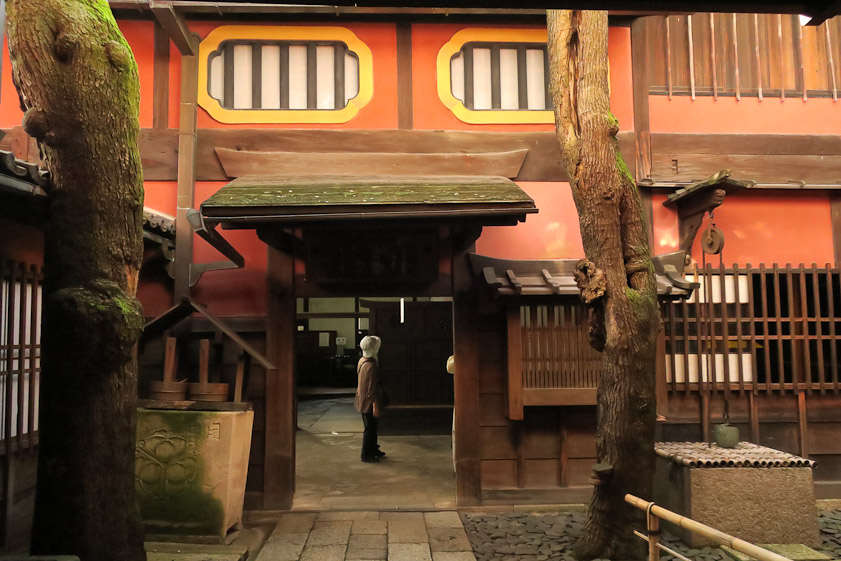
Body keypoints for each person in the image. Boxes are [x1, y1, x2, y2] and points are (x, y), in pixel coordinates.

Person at [355, 335, 386, 463]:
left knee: (371, 426)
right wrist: (375, 405)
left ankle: (373, 448)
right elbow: (371, 389)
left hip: (362, 399)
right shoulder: (371, 366)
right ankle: (366, 454)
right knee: (370, 428)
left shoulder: (362, 360)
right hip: (369, 401)